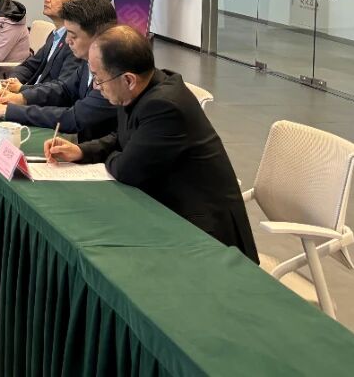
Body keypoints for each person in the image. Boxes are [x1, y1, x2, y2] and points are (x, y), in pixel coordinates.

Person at [44, 27, 258, 261]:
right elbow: (122, 137)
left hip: (207, 235)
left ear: (128, 79)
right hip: (170, 211)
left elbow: (127, 170)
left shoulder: (164, 106)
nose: (96, 86)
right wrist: (81, 151)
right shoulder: (140, 89)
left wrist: (116, 156)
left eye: (99, 78)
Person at [0, 0, 117, 142]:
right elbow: (64, 90)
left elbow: (74, 118)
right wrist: (22, 98)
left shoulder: (112, 71)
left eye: (73, 35)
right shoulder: (87, 63)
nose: (67, 41)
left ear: (98, 35)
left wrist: (7, 111)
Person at [0, 0, 94, 93]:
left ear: (75, 2)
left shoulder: (76, 42)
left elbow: (63, 89)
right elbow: (30, 65)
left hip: (42, 101)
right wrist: (12, 81)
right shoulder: (55, 34)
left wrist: (21, 89)